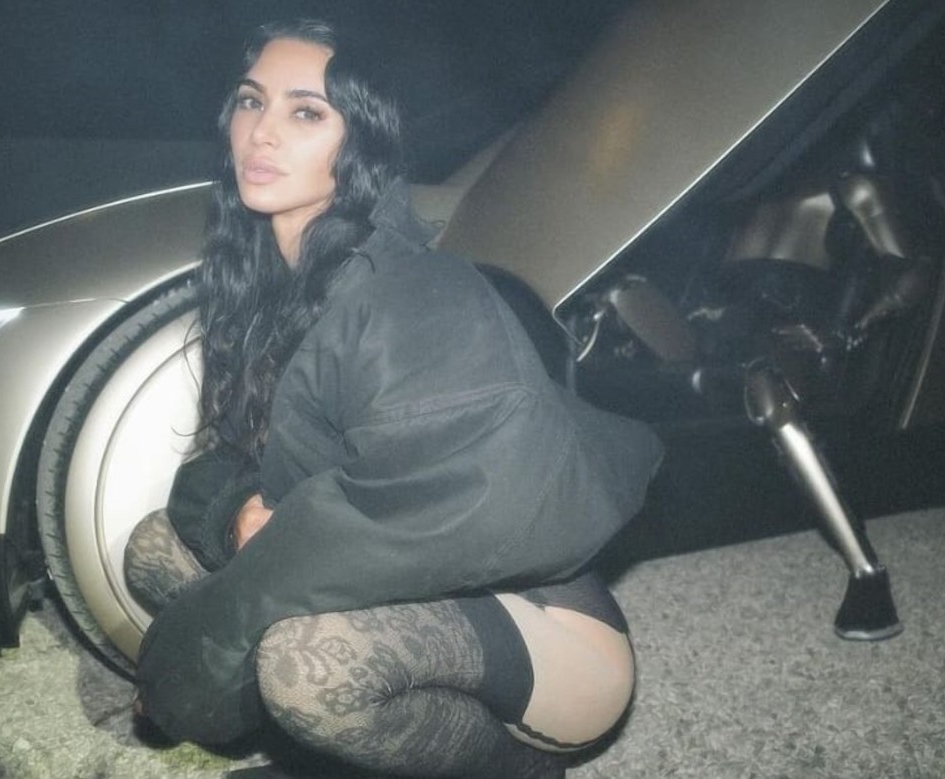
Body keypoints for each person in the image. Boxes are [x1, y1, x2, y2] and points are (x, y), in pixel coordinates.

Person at [124, 18, 663, 779]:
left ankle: (507, 768)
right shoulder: (265, 289)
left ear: (363, 141)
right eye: (251, 101)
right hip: (386, 582)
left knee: (306, 666)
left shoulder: (414, 295)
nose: (263, 132)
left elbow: (456, 506)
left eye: (306, 112)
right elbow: (223, 463)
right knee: (154, 548)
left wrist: (187, 663)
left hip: (544, 630)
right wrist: (241, 507)